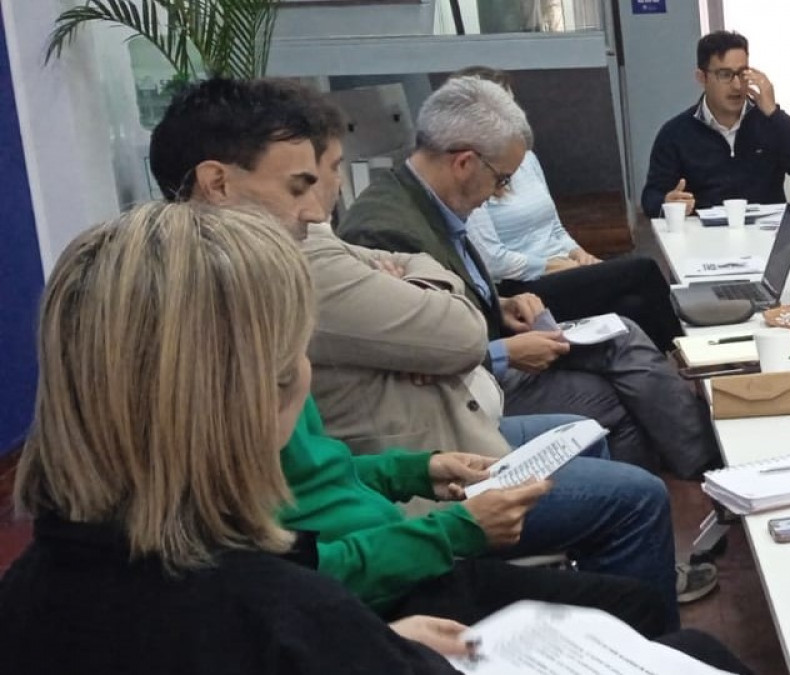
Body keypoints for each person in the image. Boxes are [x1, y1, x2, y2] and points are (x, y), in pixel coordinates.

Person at [145, 77, 716, 629]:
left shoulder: (261, 291)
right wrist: (451, 525)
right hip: (403, 538)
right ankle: (703, 470)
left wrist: (415, 469)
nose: (319, 209)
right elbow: (461, 332)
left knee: (610, 373)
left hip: (408, 493)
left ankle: (694, 481)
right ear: (217, 184)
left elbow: (316, 473)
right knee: (614, 424)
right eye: (302, 184)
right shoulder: (247, 318)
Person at [0, 201, 456, 673]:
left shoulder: (21, 596)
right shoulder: (289, 617)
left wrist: (364, 642)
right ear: (266, 394)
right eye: (300, 349)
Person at [340, 76, 720, 481]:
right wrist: (504, 351)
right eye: (501, 180)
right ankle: (662, 486)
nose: (498, 192)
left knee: (622, 332)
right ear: (464, 163)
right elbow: (415, 358)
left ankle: (706, 461)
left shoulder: (426, 202)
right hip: (467, 388)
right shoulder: (384, 233)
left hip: (490, 346)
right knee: (609, 396)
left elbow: (449, 300)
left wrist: (501, 305)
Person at [452, 66, 684, 348]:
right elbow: (493, 261)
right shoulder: (476, 176)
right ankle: (688, 352)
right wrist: (553, 266)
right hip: (522, 288)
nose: (516, 118)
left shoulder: (527, 159)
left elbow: (554, 226)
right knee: (643, 270)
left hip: (562, 266)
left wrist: (579, 254)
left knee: (632, 306)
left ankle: (671, 359)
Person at [641, 30, 790, 215]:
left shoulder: (770, 123)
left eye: (742, 74)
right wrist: (667, 202)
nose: (736, 85)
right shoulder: (676, 133)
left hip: (766, 230)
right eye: (725, 75)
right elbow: (651, 197)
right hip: (704, 231)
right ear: (702, 77)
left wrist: (774, 113)